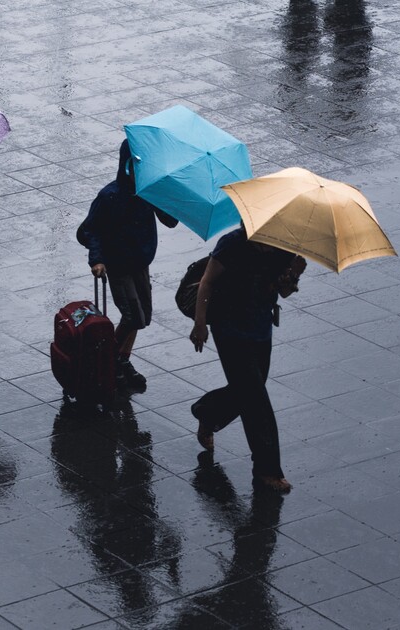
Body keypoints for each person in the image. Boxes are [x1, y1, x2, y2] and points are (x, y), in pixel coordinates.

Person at [189, 226, 306, 493]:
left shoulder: (283, 247)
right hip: (230, 330)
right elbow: (207, 281)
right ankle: (267, 470)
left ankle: (208, 411)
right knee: (256, 401)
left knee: (250, 389)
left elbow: (283, 291)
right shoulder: (231, 244)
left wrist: (294, 273)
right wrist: (200, 322)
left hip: (260, 328)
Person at [77, 139, 178, 388]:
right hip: (119, 266)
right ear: (126, 166)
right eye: (135, 167)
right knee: (132, 316)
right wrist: (97, 259)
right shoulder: (110, 196)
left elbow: (170, 221)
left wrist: (168, 196)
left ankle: (121, 359)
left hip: (140, 263)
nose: (139, 173)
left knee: (142, 318)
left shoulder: (148, 193)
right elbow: (89, 230)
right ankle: (108, 359)